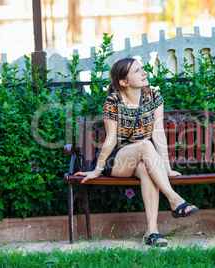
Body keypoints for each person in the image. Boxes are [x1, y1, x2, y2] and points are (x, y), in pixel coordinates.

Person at [74, 57, 199, 247]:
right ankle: (174, 199)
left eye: (142, 69)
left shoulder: (153, 97)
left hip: (141, 159)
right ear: (124, 82)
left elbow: (158, 133)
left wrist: (167, 168)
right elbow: (111, 139)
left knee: (146, 169)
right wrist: (97, 170)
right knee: (145, 145)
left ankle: (152, 232)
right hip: (116, 161)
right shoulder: (113, 101)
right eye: (136, 71)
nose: (144, 73)